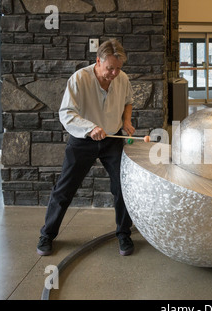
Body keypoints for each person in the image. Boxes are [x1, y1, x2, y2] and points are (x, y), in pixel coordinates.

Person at [37, 39, 136, 256]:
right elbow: (66, 113)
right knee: (65, 189)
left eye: (118, 68)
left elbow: (128, 101)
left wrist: (126, 121)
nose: (114, 73)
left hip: (112, 138)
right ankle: (47, 234)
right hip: (82, 139)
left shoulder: (122, 78)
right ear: (98, 61)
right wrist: (90, 128)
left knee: (123, 187)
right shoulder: (79, 79)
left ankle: (123, 233)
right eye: (110, 68)